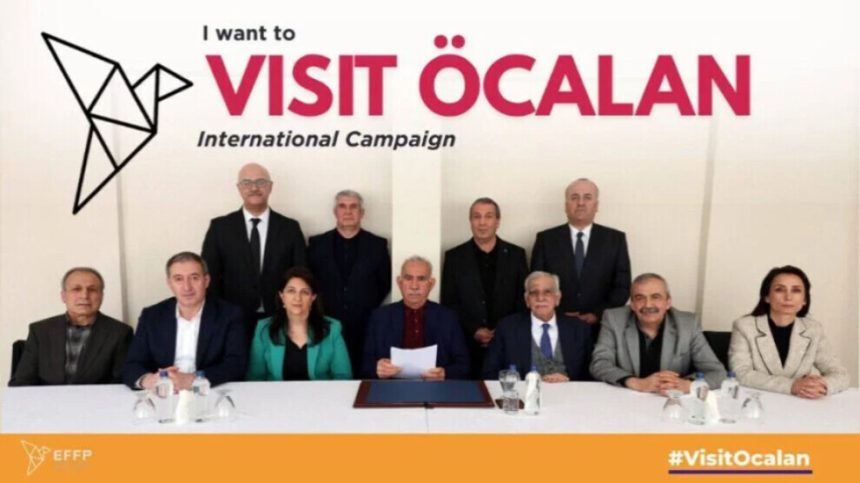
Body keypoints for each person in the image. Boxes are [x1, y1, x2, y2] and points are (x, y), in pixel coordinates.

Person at [202, 162, 306, 342]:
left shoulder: (290, 228)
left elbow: (300, 274)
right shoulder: (220, 227)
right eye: (247, 183)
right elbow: (209, 276)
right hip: (232, 318)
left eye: (260, 182)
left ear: (270, 187)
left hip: (280, 316)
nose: (254, 188)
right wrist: (217, 314)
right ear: (239, 188)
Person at [122, 252, 247, 390]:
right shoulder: (151, 316)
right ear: (169, 283)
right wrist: (149, 380)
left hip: (208, 391)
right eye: (178, 279)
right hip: (163, 392)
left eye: (194, 278)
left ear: (206, 281)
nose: (187, 287)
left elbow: (236, 364)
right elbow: (132, 364)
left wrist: (194, 379)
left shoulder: (229, 314)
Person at [590, 273, 725, 394]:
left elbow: (717, 372)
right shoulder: (614, 319)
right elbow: (600, 363)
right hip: (627, 398)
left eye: (656, 297)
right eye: (640, 298)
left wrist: (686, 385)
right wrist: (636, 382)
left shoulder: (688, 324)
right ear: (632, 304)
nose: (648, 305)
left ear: (668, 302)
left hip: (669, 400)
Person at [531, 178, 631, 340]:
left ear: (596, 205)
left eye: (587, 197)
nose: (581, 203)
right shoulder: (546, 239)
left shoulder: (615, 239)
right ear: (566, 205)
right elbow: (536, 284)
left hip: (602, 328)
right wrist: (557, 313)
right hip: (556, 325)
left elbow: (622, 286)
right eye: (574, 197)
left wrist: (597, 314)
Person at [728, 266, 849, 398]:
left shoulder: (813, 329)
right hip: (759, 400)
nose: (788, 297)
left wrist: (821, 385)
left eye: (796, 290)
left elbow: (840, 373)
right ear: (767, 297)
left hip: (801, 402)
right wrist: (791, 385)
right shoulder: (745, 326)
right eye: (779, 289)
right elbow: (741, 373)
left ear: (804, 300)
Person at [442, 197, 528, 378]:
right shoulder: (454, 257)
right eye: (477, 216)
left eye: (488, 216)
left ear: (498, 221)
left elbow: (523, 299)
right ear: (470, 221)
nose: (482, 222)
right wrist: (474, 330)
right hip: (467, 344)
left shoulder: (516, 255)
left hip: (507, 342)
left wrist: (502, 330)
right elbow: (449, 302)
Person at [307, 190, 390, 374]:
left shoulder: (377, 245)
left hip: (364, 324)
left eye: (353, 207)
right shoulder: (316, 244)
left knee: (362, 372)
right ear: (335, 212)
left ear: (362, 213)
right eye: (342, 206)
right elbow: (310, 281)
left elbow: (384, 282)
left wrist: (364, 303)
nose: (348, 211)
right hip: (325, 323)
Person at [9, 267, 132, 386]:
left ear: (101, 296)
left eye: (92, 289)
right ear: (63, 296)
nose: (84, 295)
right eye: (76, 289)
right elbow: (22, 381)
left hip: (97, 400)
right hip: (47, 399)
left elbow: (120, 383)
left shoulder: (120, 333)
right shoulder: (40, 331)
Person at [362, 256, 470, 380]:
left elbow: (464, 365)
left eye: (421, 279)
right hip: (390, 386)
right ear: (399, 282)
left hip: (435, 387)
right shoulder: (380, 317)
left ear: (431, 284)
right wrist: (377, 369)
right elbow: (365, 366)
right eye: (408, 278)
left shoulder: (448, 317)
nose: (414, 286)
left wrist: (444, 373)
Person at [482, 271, 592, 382]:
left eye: (547, 292)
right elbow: (490, 372)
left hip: (570, 391)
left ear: (557, 298)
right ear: (527, 300)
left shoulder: (579, 329)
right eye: (534, 293)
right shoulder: (507, 328)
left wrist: (568, 382)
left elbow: (590, 375)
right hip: (525, 391)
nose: (540, 298)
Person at [246, 267, 352, 380]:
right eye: (291, 291)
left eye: (304, 292)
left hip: (321, 392)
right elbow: (255, 379)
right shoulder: (264, 329)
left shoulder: (332, 329)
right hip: (275, 392)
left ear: (313, 297)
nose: (297, 298)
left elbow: (343, 377)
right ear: (282, 296)